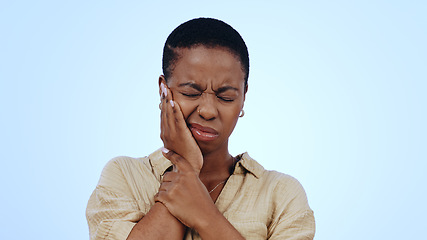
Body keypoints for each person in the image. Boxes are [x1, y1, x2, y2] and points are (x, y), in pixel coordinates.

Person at [86, 17, 315, 240]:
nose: (207, 110)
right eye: (190, 93)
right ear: (163, 89)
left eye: (225, 97)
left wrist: (204, 215)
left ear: (243, 98)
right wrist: (187, 166)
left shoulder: (281, 194)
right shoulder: (124, 176)